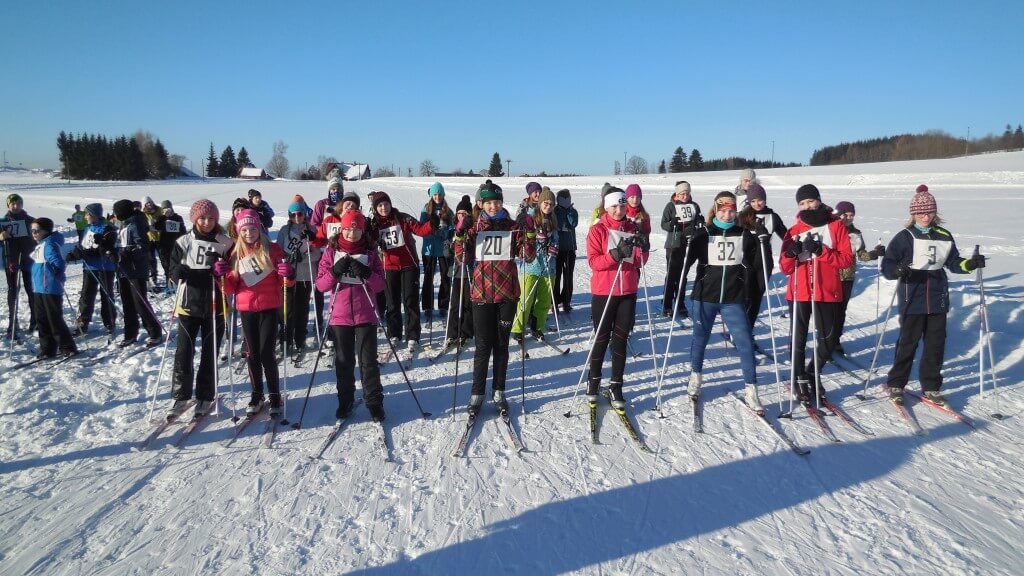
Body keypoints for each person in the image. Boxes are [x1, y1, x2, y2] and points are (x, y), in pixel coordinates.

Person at [881, 185, 982, 407]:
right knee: (908, 343)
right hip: (912, 297)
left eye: (929, 212)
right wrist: (897, 270)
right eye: (920, 213)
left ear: (935, 212)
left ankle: (931, 386)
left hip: (938, 298)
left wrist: (970, 264)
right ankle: (896, 383)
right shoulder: (905, 237)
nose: (925, 217)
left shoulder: (944, 235)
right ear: (913, 214)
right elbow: (887, 265)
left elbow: (953, 262)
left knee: (936, 345)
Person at [453, 181, 536, 415]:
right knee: (482, 346)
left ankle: (499, 390)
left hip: (507, 294)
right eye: (489, 202)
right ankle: (477, 393)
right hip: (481, 294)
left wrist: (529, 232)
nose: (493, 206)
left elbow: (528, 256)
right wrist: (460, 234)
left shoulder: (512, 226)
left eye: (497, 202)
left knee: (501, 345)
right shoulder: (474, 227)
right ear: (481, 203)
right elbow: (461, 258)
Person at [684, 192, 764, 409]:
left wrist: (763, 241)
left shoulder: (744, 234)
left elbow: (759, 264)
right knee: (700, 339)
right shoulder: (705, 233)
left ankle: (751, 389)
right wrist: (688, 240)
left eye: (731, 211)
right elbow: (685, 262)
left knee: (745, 342)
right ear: (715, 210)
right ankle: (695, 376)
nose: (727, 215)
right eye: (723, 210)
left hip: (733, 298)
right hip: (705, 296)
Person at [779, 184, 854, 403]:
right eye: (802, 203)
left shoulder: (836, 226)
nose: (807, 206)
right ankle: (799, 377)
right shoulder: (794, 230)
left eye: (810, 201)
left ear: (819, 200)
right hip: (799, 291)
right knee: (799, 338)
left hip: (827, 291)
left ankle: (813, 371)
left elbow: (846, 260)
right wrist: (791, 254)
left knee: (829, 339)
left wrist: (822, 251)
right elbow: (784, 268)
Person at [217, 209, 294, 417]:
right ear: (238, 232)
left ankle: (275, 395)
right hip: (247, 310)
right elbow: (230, 287)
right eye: (244, 230)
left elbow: (285, 282)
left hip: (269, 307)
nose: (249, 233)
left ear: (259, 228)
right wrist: (221, 276)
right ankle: (257, 394)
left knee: (266, 353)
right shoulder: (235, 254)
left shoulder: (272, 249)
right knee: (252, 354)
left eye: (252, 229)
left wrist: (288, 274)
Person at [315, 208, 387, 421]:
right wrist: (334, 271)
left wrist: (366, 273)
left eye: (356, 230)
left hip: (366, 314)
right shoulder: (331, 252)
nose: (351, 234)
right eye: (347, 229)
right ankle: (345, 400)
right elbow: (320, 285)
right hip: (340, 315)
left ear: (362, 231)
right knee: (344, 361)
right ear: (341, 229)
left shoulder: (371, 253)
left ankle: (374, 402)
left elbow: (380, 285)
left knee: (368, 361)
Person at [166, 199, 234, 419]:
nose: (206, 222)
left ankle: (205, 394)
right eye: (202, 218)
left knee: (209, 351)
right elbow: (172, 269)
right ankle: (180, 395)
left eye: (211, 218)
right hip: (188, 304)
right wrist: (177, 272)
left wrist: (223, 270)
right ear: (195, 219)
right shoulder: (184, 241)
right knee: (184, 351)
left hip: (215, 305)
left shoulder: (225, 242)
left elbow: (234, 269)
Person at [585, 188, 649, 408]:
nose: (619, 210)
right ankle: (593, 381)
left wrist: (644, 248)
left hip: (628, 291)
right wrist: (614, 255)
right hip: (604, 292)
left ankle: (616, 385)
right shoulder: (598, 230)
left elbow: (639, 262)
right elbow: (593, 262)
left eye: (622, 206)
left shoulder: (632, 228)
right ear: (606, 207)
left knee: (621, 340)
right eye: (614, 206)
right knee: (602, 338)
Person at [366, 191, 435, 356]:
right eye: (380, 205)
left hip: (409, 265)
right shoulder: (375, 224)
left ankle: (413, 335)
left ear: (390, 204)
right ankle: (394, 333)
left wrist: (432, 224)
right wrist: (372, 236)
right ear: (375, 208)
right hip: (389, 267)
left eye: (386, 204)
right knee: (392, 303)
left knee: (410, 300)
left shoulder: (402, 218)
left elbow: (420, 229)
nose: (384, 208)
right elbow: (368, 241)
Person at [737, 183, 787, 351]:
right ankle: (739, 332)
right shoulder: (744, 216)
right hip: (746, 262)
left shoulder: (773, 216)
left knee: (757, 298)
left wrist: (795, 245)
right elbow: (734, 237)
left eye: (760, 200)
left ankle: (748, 331)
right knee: (746, 298)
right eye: (753, 201)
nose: (757, 204)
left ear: (765, 199)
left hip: (764, 262)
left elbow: (786, 235)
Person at [832, 200, 884, 356]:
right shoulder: (831, 230)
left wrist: (875, 254)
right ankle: (826, 340)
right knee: (829, 312)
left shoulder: (856, 233)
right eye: (845, 215)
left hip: (847, 277)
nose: (848, 218)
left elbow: (862, 255)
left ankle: (835, 341)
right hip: (831, 276)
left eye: (851, 215)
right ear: (838, 214)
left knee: (841, 311)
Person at [111, 199, 163, 347]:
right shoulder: (123, 225)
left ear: (123, 213)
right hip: (123, 269)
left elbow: (143, 246)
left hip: (136, 269)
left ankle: (155, 332)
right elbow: (120, 244)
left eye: (117, 213)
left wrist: (126, 254)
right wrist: (111, 251)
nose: (115, 216)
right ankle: (130, 334)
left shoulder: (135, 224)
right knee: (127, 303)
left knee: (140, 302)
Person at [512, 187, 559, 342]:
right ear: (540, 203)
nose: (548, 206)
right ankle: (518, 328)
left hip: (548, 266)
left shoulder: (553, 218)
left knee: (544, 301)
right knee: (526, 299)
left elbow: (556, 238)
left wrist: (554, 247)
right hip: (531, 265)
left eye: (551, 204)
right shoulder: (530, 217)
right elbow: (521, 238)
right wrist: (534, 240)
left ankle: (538, 327)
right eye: (546, 203)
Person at [29, 218, 78, 359]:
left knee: (54, 318)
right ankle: (47, 348)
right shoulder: (41, 244)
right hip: (39, 288)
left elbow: (59, 262)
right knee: (41, 319)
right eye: (32, 230)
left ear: (45, 231)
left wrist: (58, 271)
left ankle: (67, 347)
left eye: (36, 230)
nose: (34, 233)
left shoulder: (49, 244)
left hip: (50, 287)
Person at [277, 200, 321, 353]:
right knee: (288, 309)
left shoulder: (311, 229)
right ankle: (286, 339)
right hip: (288, 276)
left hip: (305, 275)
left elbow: (317, 253)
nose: (297, 217)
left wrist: (304, 257)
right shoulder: (284, 231)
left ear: (304, 214)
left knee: (302, 309)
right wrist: (287, 259)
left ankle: (300, 339)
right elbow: (278, 252)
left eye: (300, 214)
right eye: (293, 215)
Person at [66, 203, 117, 336]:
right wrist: (75, 253)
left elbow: (104, 249)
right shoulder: (87, 228)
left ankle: (109, 322)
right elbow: (84, 245)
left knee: (106, 295)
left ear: (94, 215)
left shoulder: (107, 228)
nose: (85, 217)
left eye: (87, 214)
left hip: (104, 267)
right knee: (86, 295)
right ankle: (83, 321)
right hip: (89, 267)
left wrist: (85, 253)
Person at [660, 181, 703, 318]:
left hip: (689, 244)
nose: (685, 196)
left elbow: (698, 221)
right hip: (674, 244)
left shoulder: (694, 206)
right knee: (671, 274)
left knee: (683, 275)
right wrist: (671, 223)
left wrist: (699, 222)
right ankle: (667, 303)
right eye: (682, 194)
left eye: (687, 194)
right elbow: (663, 224)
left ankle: (680, 303)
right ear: (677, 194)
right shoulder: (670, 206)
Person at [1, 193, 37, 338]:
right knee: (13, 290)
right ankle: (13, 324)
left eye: (18, 204)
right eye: (13, 204)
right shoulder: (3, 222)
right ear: (8, 205)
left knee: (31, 289)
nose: (16, 206)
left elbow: (42, 235)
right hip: (11, 260)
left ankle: (35, 321)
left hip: (28, 259)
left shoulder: (31, 220)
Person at [419, 182, 454, 319]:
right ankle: (427, 306)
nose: (437, 197)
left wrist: (446, 233)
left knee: (445, 277)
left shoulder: (448, 210)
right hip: (430, 248)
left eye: (439, 194)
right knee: (428, 277)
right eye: (435, 194)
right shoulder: (426, 210)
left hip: (444, 248)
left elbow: (452, 227)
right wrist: (431, 231)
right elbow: (421, 228)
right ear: (431, 195)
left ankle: (443, 305)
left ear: (443, 194)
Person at [444, 195, 474, 346]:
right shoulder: (452, 230)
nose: (461, 216)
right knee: (455, 303)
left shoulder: (473, 229)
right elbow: (446, 250)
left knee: (468, 303)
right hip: (456, 271)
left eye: (464, 213)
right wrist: (449, 248)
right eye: (459, 213)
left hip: (470, 270)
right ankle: (452, 333)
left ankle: (466, 333)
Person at [553, 188, 578, 314]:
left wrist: (569, 211)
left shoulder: (573, 211)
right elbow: (555, 224)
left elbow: (573, 223)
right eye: (563, 199)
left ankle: (566, 300)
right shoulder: (555, 211)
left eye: (567, 199)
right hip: (557, 248)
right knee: (556, 276)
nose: (565, 201)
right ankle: (554, 301)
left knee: (568, 276)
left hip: (569, 248)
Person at [154, 200, 187, 293]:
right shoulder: (162, 218)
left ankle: (176, 285)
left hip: (175, 246)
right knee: (166, 266)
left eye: (168, 208)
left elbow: (183, 230)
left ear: (172, 208)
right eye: (164, 209)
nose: (167, 211)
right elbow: (157, 227)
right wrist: (163, 218)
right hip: (164, 246)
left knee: (175, 266)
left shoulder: (178, 218)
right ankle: (168, 285)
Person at [141, 196, 162, 289]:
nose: (149, 204)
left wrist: (158, 223)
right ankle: (153, 278)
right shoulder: (143, 214)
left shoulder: (159, 210)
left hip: (159, 238)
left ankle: (169, 277)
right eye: (147, 203)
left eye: (150, 202)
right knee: (151, 259)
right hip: (149, 238)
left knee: (164, 259)